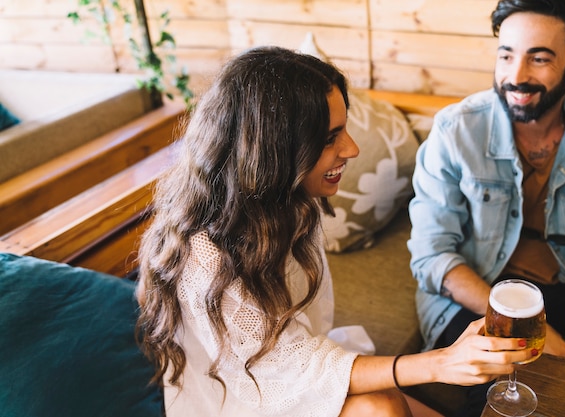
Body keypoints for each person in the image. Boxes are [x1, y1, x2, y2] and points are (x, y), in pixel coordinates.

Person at [135, 46, 534, 417]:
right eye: (329, 139)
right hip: (243, 397)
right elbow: (277, 371)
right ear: (272, 149)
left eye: (344, 129)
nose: (352, 149)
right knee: (380, 408)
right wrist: (441, 362)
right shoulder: (206, 254)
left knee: (392, 403)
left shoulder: (286, 202)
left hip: (291, 363)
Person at [408, 0, 565, 415]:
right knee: (513, 404)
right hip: (478, 294)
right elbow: (433, 255)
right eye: (505, 55)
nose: (516, 76)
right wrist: (529, 326)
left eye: (539, 58)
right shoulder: (455, 131)